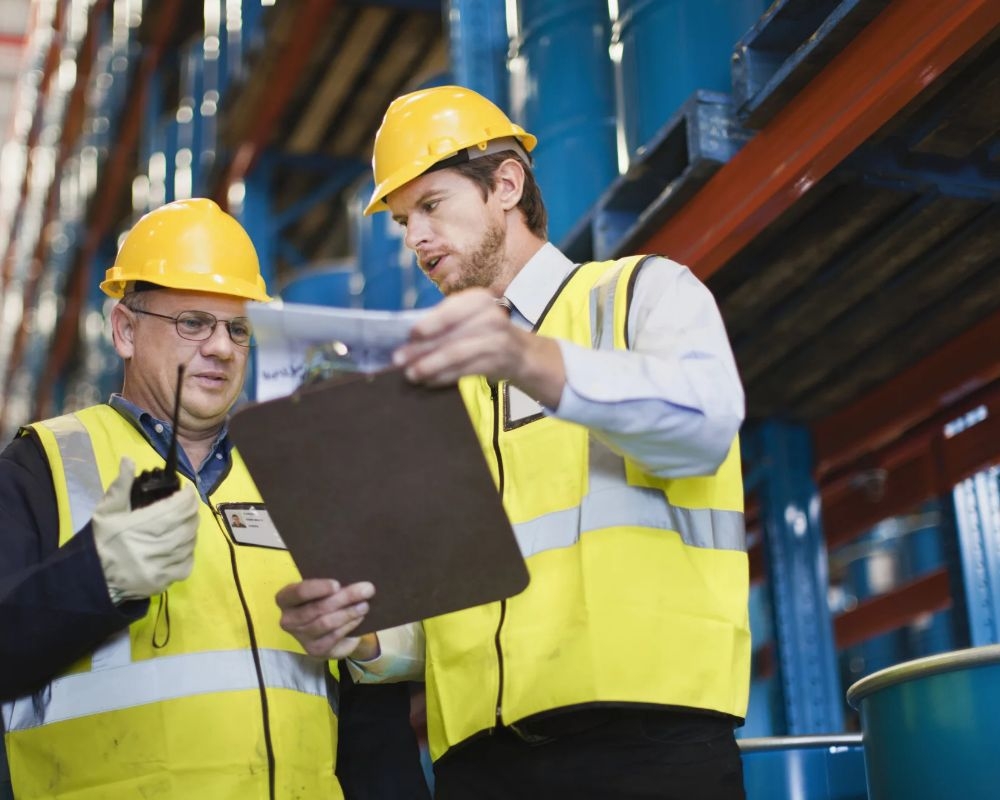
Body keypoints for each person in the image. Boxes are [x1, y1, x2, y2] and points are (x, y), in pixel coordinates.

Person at [276, 86, 750, 800]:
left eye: (431, 205)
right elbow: (444, 614)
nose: (415, 240)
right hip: (480, 766)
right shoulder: (434, 388)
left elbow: (704, 426)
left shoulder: (638, 295)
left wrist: (530, 359)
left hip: (644, 745)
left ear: (505, 184)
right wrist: (364, 637)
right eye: (403, 221)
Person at [0, 198, 428, 799]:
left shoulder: (299, 476)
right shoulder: (40, 467)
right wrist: (97, 577)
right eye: (193, 323)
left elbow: (371, 718)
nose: (221, 348)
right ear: (125, 330)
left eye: (237, 329)